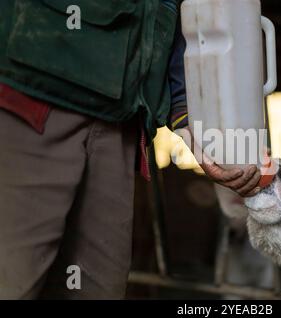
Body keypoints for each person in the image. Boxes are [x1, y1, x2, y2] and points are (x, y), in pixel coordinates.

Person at [0, 0, 260, 299]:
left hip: (121, 117)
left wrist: (191, 117)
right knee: (12, 279)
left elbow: (175, 17)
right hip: (32, 91)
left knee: (98, 288)